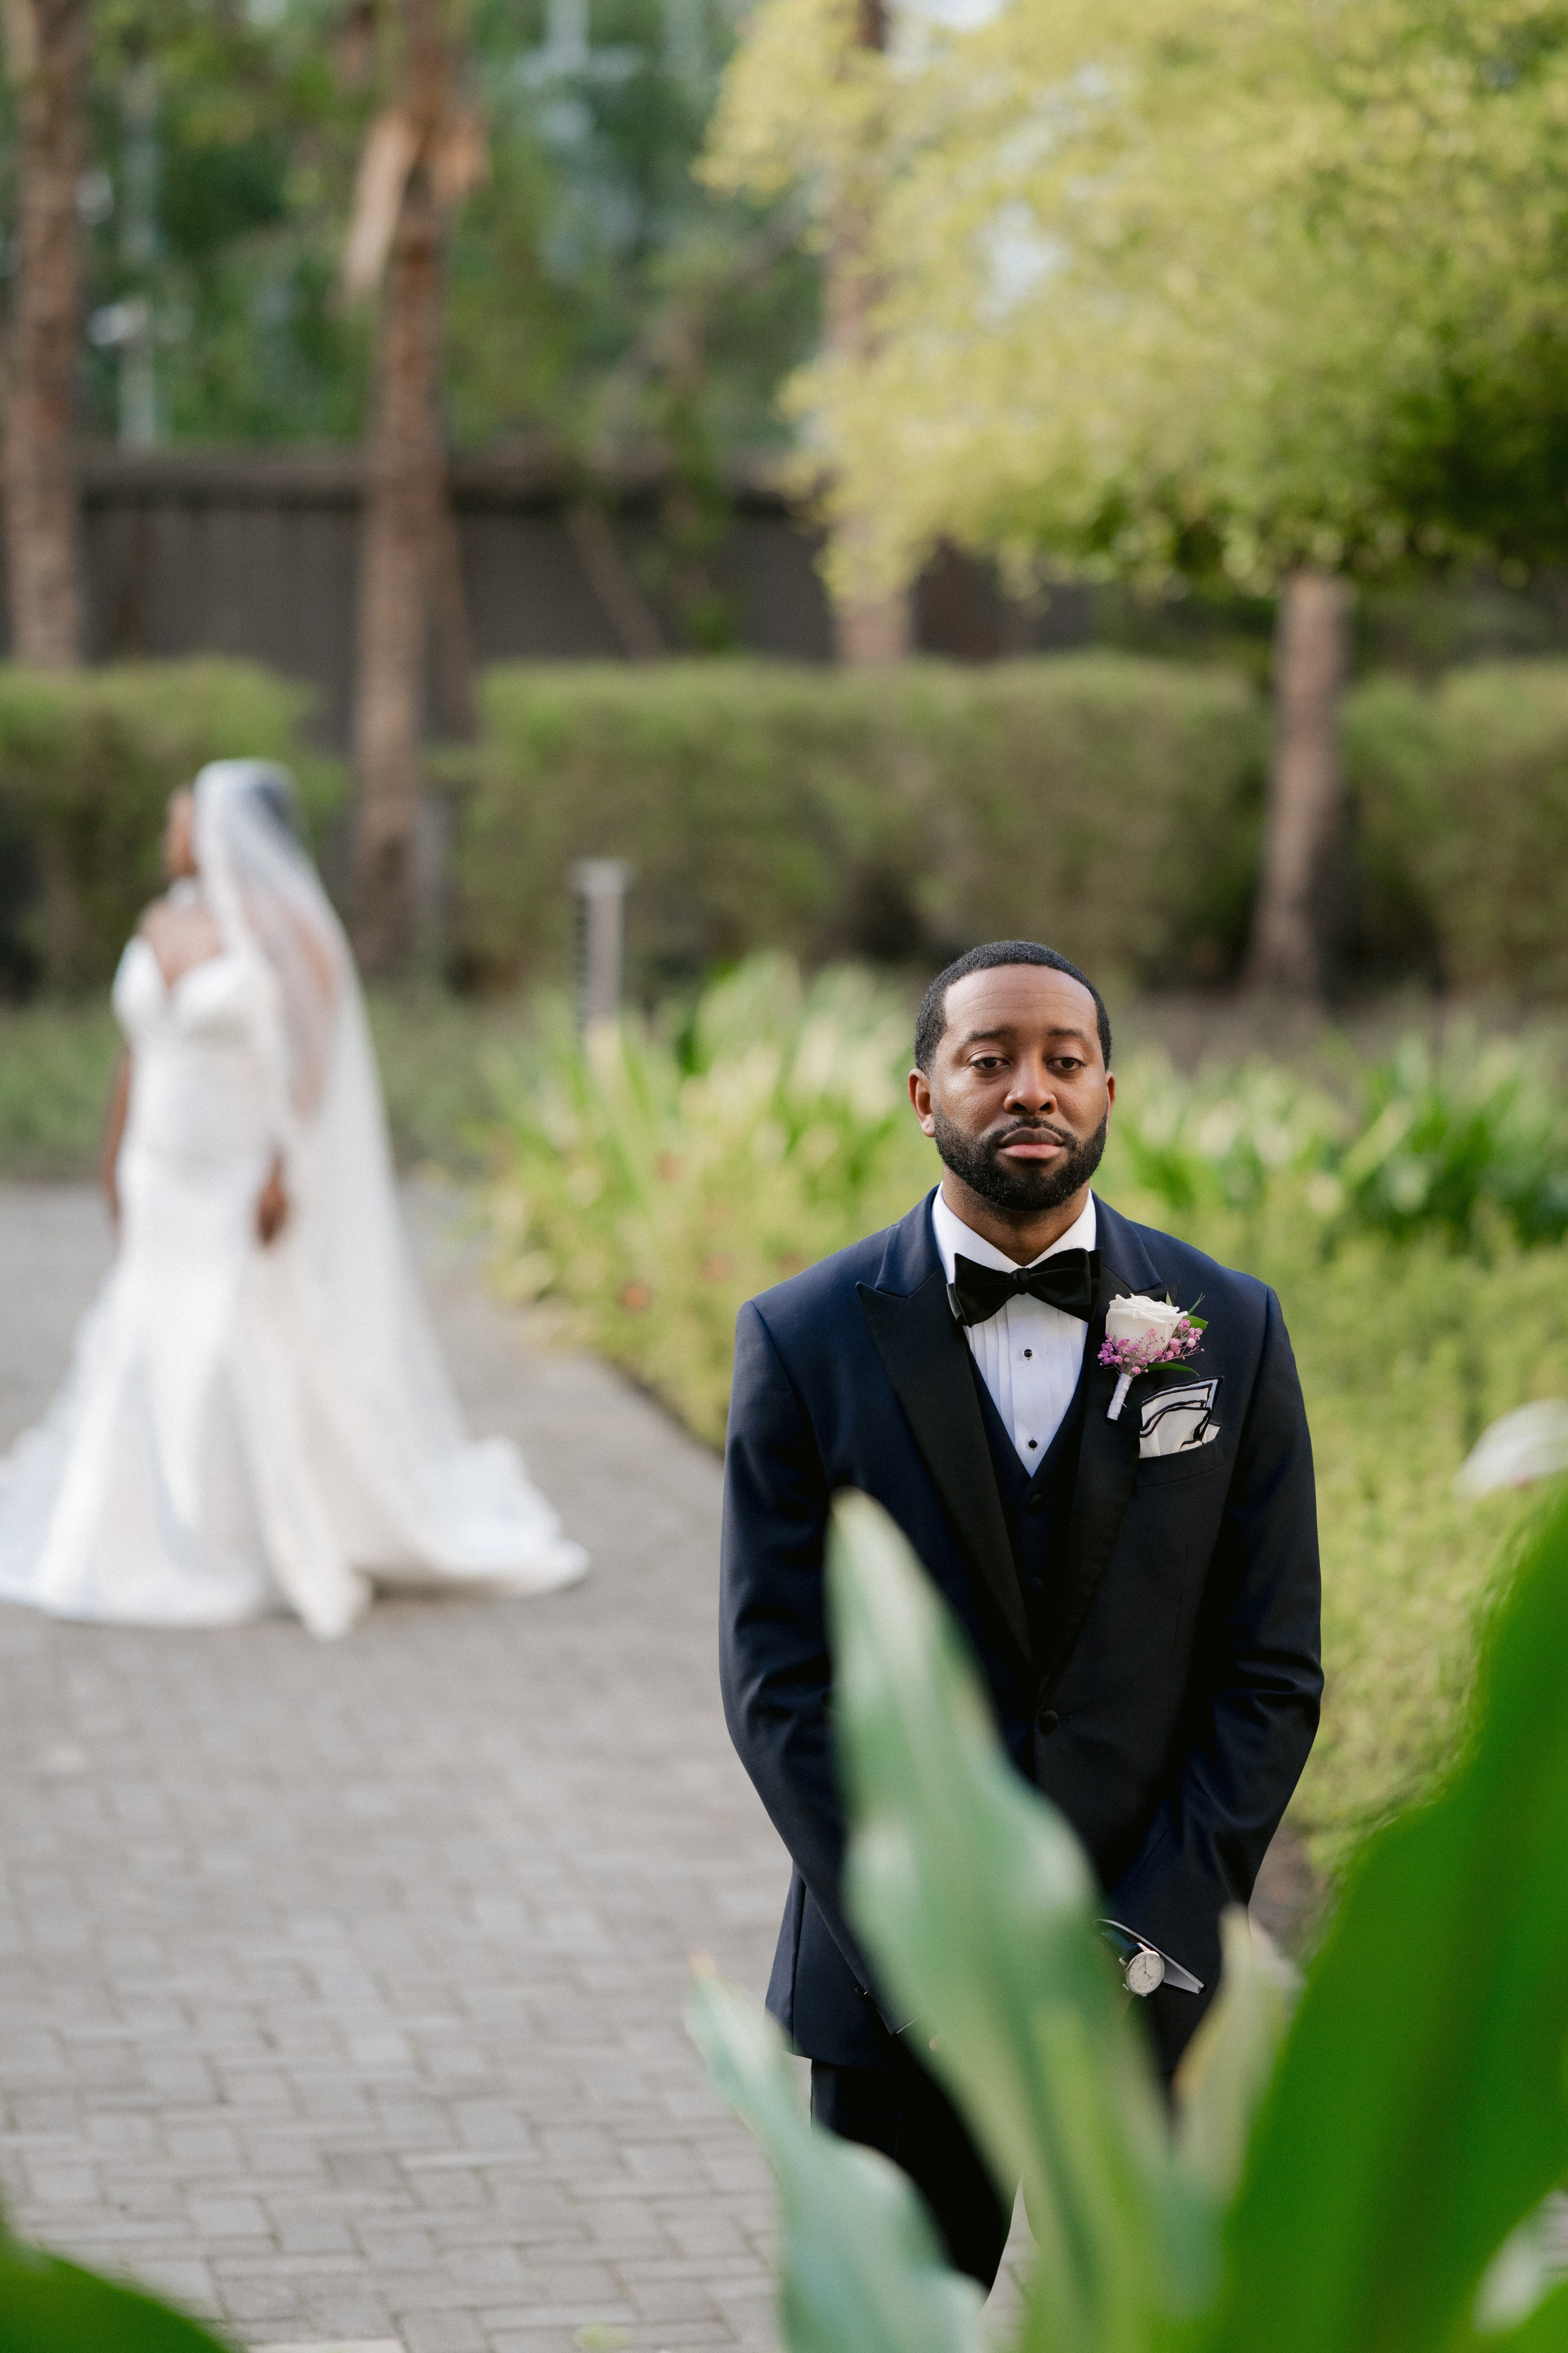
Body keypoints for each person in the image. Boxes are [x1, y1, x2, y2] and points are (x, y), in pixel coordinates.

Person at [719, 939, 1321, 2289]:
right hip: (896, 2007)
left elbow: (1267, 1668)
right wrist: (930, 1937)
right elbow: (777, 1683)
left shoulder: (1228, 1326)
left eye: (1061, 1060)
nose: (1028, 1089)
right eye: (987, 1060)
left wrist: (1148, 1930)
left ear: (1107, 1088)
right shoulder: (803, 1337)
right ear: (923, 1096)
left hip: (1151, 1995)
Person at [0, 759, 587, 1638]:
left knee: (239, 1332)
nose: (170, 835)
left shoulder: (287, 934)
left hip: (238, 1171)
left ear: (224, 832)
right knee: (143, 1329)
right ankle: (125, 1533)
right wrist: (113, 1148)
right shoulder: (162, 919)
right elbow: (137, 1049)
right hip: (158, 1169)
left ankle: (246, 1531)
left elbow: (318, 1063)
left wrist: (283, 1166)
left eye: (181, 819)